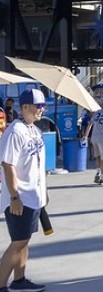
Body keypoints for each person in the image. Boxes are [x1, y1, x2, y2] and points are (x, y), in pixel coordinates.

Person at [0, 88, 48, 292]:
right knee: (18, 241)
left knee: (24, 240)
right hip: (20, 197)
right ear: (25, 106)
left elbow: (37, 164)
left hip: (34, 196)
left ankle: (20, 281)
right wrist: (14, 196)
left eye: (43, 106)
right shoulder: (15, 131)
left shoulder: (35, 131)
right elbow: (7, 164)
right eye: (38, 106)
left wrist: (44, 190)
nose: (41, 109)